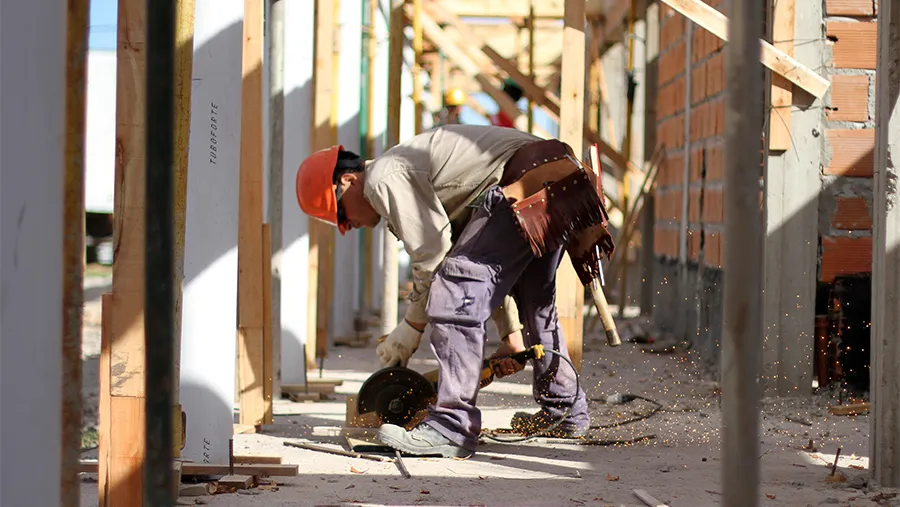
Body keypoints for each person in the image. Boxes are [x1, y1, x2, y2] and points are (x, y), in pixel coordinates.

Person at [295, 124, 612, 458]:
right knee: (536, 303)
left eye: (341, 215)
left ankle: (451, 427)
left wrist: (410, 328)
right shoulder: (404, 172)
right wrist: (511, 336)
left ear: (347, 181)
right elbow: (490, 265)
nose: (348, 227)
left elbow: (434, 258)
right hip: (558, 182)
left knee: (451, 288)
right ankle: (565, 412)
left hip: (522, 185)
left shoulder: (383, 178)